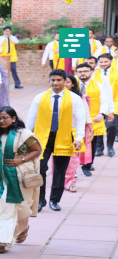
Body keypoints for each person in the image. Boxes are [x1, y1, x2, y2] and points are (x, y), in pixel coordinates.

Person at [0, 107, 41, 253]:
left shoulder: (24, 134)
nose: (1, 121)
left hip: (18, 178)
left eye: (5, 118)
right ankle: (1, 241)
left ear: (13, 118)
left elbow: (37, 150)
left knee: (20, 209)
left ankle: (22, 228)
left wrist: (21, 159)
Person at [25, 70, 87, 212]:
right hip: (42, 138)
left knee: (60, 171)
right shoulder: (39, 98)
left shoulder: (74, 99)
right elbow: (31, 119)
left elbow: (80, 119)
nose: (55, 83)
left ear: (65, 81)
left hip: (64, 137)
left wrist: (79, 138)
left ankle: (54, 200)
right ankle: (39, 200)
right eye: (53, 80)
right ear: (49, 81)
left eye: (59, 80)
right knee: (40, 168)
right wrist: (27, 139)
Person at [77, 63, 114, 171]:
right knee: (76, 141)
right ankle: (73, 166)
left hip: (93, 118)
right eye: (80, 72)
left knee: (92, 142)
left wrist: (101, 113)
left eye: (85, 71)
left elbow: (104, 101)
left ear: (91, 72)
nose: (83, 73)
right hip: (75, 119)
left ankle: (88, 164)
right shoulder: (72, 85)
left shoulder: (98, 85)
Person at [62, 75, 93, 192]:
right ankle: (60, 180)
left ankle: (70, 181)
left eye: (67, 82)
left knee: (73, 158)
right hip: (57, 132)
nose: (64, 84)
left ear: (73, 84)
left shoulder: (78, 98)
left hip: (74, 132)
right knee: (58, 158)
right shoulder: (50, 97)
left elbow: (85, 115)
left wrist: (90, 129)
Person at [95, 53, 118, 157]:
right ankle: (99, 148)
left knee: (111, 126)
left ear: (111, 61)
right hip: (99, 102)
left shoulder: (116, 72)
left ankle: (110, 146)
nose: (103, 64)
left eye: (106, 62)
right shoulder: (95, 73)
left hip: (114, 101)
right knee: (98, 126)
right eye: (101, 62)